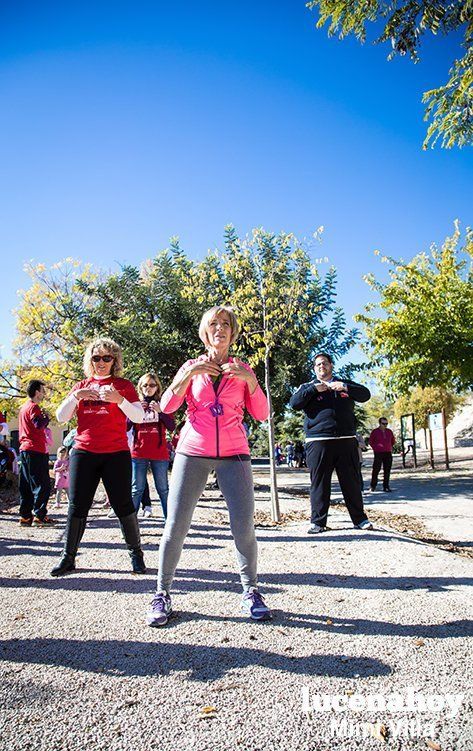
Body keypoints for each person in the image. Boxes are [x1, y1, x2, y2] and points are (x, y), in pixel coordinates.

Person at [146, 305, 271, 627]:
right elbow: (167, 405)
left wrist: (252, 382)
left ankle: (251, 591)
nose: (220, 328)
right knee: (176, 526)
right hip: (193, 451)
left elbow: (261, 414)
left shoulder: (243, 369)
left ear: (233, 331)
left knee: (243, 527)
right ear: (205, 332)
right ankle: (162, 593)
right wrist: (189, 374)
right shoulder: (191, 366)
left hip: (235, 453)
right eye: (213, 324)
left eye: (226, 324)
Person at [51, 337, 146, 577]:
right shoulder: (81, 385)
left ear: (114, 360)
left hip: (116, 452)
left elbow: (138, 417)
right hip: (84, 451)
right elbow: (61, 417)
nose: (101, 362)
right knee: (77, 506)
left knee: (123, 504)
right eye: (96, 358)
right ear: (90, 361)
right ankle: (68, 558)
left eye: (107, 358)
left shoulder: (123, 385)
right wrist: (76, 397)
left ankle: (136, 555)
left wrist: (120, 400)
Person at [289, 352, 373, 533]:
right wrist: (313, 390)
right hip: (318, 442)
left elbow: (365, 395)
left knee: (351, 483)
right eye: (318, 364)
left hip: (346, 440)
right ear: (314, 368)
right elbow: (294, 403)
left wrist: (344, 387)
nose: (321, 367)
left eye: (325, 363)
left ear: (331, 365)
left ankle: (360, 520)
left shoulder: (343, 384)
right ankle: (318, 522)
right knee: (319, 483)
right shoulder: (308, 386)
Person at [130, 372, 175, 520]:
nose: (148, 388)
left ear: (157, 387)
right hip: (139, 452)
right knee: (136, 489)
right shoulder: (135, 404)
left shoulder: (163, 404)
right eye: (145, 385)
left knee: (163, 489)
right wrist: (136, 412)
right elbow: (124, 427)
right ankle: (131, 524)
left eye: (152, 385)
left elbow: (172, 426)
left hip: (159, 453)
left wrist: (161, 412)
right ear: (140, 387)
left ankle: (170, 522)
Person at [18, 379, 55, 527]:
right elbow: (38, 424)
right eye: (42, 390)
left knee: (26, 484)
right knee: (43, 484)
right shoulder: (34, 407)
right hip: (36, 450)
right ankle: (40, 516)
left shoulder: (23, 407)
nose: (44, 393)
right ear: (37, 392)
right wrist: (46, 418)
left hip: (25, 449)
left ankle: (25, 517)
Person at [368, 417, 396, 492]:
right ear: (380, 423)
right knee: (376, 469)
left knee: (387, 470)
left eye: (386, 424)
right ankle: (373, 486)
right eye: (383, 424)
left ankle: (386, 486)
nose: (385, 425)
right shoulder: (375, 432)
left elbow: (393, 441)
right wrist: (376, 448)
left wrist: (390, 446)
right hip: (378, 453)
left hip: (387, 452)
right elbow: (371, 442)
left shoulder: (389, 431)